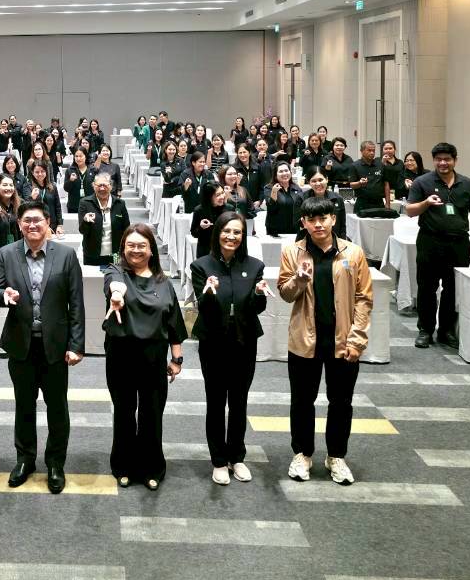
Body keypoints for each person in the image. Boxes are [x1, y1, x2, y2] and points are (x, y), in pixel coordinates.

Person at [277, 196, 372, 487]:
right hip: (304, 340)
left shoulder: (353, 253)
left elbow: (364, 298)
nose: (318, 224)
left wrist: (357, 339)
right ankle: (302, 453)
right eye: (311, 220)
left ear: (333, 219)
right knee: (302, 401)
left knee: (341, 402)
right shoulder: (292, 252)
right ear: (303, 223)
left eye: (323, 218)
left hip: (342, 341)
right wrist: (299, 280)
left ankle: (336, 456)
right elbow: (285, 294)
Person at [0, 201, 86, 494]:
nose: (32, 225)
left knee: (57, 407)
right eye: (27, 220)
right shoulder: (6, 254)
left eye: (38, 220)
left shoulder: (66, 255)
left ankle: (56, 463)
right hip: (21, 344)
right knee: (24, 405)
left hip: (55, 346)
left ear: (48, 223)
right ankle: (25, 459)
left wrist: (76, 345)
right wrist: (3, 295)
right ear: (19, 225)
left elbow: (76, 303)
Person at [102, 223, 188, 489]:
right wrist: (117, 295)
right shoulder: (116, 271)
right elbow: (114, 285)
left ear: (151, 250)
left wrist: (176, 359)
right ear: (123, 249)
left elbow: (173, 322)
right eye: (131, 245)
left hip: (154, 357)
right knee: (124, 412)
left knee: (152, 414)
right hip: (121, 355)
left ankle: (151, 467)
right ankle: (124, 465)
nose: (136, 250)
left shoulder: (164, 283)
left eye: (142, 245)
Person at [189, 211, 268, 485]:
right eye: (226, 231)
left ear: (243, 236)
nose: (231, 236)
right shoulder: (201, 266)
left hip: (244, 340)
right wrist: (209, 293)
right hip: (213, 340)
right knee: (215, 401)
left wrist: (258, 293)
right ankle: (219, 460)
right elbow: (204, 308)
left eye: (237, 232)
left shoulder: (255, 266)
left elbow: (258, 307)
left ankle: (237, 456)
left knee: (239, 400)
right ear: (217, 233)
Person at [405, 143, 470, 349]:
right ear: (433, 161)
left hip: (459, 243)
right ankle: (425, 330)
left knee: (453, 289)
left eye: (447, 159)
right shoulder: (422, 182)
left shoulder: (467, 183)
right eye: (438, 159)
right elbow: (410, 211)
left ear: (455, 160)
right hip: (430, 241)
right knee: (427, 287)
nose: (442, 163)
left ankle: (446, 331)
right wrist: (426, 203)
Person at [79, 174, 130, 268]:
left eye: (105, 185)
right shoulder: (85, 203)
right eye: (99, 185)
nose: (102, 188)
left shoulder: (120, 204)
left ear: (110, 186)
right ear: (94, 186)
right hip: (92, 254)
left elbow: (127, 229)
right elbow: (82, 231)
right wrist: (85, 221)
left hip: (115, 254)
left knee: (115, 276)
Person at [264, 162, 305, 238]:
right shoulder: (269, 188)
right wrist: (274, 192)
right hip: (275, 230)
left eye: (286, 170)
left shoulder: (296, 188)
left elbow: (302, 207)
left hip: (294, 229)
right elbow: (271, 208)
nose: (284, 173)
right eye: (281, 171)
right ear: (275, 175)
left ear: (290, 172)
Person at [190, 182, 229, 260]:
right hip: (205, 252)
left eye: (222, 193)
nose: (222, 197)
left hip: (225, 250)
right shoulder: (199, 210)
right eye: (218, 195)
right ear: (209, 197)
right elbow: (194, 233)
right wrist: (201, 227)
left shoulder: (229, 209)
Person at [22, 160, 64, 234]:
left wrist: (59, 225)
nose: (40, 174)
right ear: (32, 173)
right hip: (35, 224)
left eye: (42, 171)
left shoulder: (52, 186)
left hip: (52, 224)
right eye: (37, 172)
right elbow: (25, 207)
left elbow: (57, 206)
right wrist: (32, 197)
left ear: (46, 172)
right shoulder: (28, 186)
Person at [303, 171, 347, 240]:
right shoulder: (302, 198)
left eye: (320, 180)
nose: (318, 183)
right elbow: (298, 225)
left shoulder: (337, 198)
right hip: (309, 240)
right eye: (314, 181)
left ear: (326, 179)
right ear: (309, 183)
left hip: (334, 239)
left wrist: (342, 241)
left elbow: (342, 225)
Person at [348, 141, 389, 215]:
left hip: (378, 203)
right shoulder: (354, 165)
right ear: (362, 151)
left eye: (373, 151)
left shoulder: (380, 164)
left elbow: (386, 184)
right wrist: (360, 183)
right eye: (369, 150)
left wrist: (388, 203)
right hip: (362, 203)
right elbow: (352, 185)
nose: (372, 153)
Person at [179, 151, 212, 215]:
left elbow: (213, 189)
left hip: (204, 206)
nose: (202, 164)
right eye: (200, 162)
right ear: (193, 163)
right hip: (189, 207)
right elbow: (180, 190)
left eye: (203, 162)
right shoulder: (185, 174)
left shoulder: (208, 174)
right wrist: (185, 186)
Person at [64, 148, 91, 214]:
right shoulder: (70, 170)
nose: (78, 158)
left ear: (85, 156)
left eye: (81, 156)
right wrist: (70, 181)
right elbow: (66, 188)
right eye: (76, 156)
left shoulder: (92, 169)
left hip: (89, 205)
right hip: (74, 206)